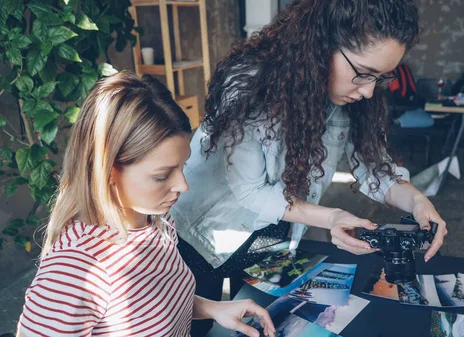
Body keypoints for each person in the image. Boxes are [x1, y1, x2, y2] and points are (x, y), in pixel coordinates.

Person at [172, 0, 448, 335]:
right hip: (204, 233)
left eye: (381, 76)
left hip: (273, 231)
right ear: (321, 45)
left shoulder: (353, 96)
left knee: (266, 323)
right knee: (194, 326)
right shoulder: (249, 81)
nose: (369, 90)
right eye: (362, 73)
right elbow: (251, 190)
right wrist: (331, 217)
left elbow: (375, 168)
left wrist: (416, 200)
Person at [16, 72, 275, 337]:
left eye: (182, 165)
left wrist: (214, 308)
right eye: (161, 176)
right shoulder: (76, 270)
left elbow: (154, 305)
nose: (182, 186)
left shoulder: (156, 220)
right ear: (107, 172)